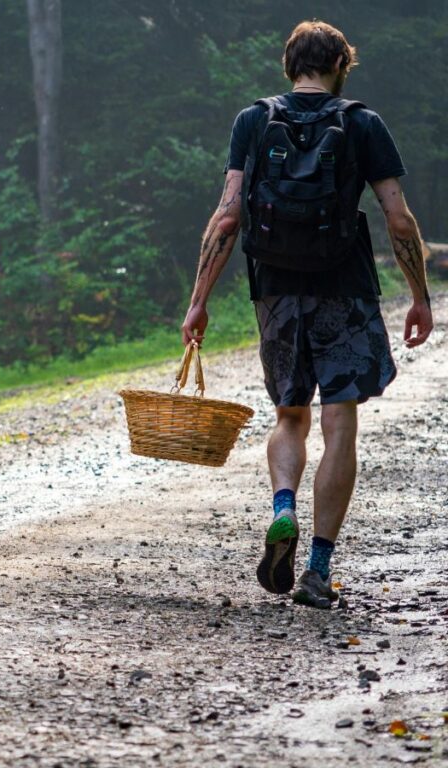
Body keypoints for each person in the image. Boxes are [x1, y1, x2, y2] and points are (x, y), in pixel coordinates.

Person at [181, 20, 434, 608]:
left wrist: (198, 301)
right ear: (341, 66)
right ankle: (318, 569)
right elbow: (399, 218)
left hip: (274, 290)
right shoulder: (362, 123)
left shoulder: (254, 120)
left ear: (289, 66)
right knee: (338, 423)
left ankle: (283, 508)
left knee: (290, 415)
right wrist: (419, 294)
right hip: (343, 289)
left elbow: (225, 219)